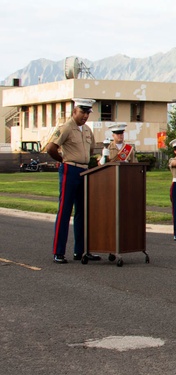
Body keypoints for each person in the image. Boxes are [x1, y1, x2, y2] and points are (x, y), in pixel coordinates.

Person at [45, 98, 100, 263]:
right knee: (65, 210)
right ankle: (59, 251)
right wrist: (62, 160)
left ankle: (81, 251)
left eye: (87, 113)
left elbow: (90, 150)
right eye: (82, 112)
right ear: (75, 111)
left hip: (84, 170)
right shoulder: (67, 127)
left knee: (83, 212)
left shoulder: (88, 130)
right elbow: (50, 147)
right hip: (70, 169)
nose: (85, 116)